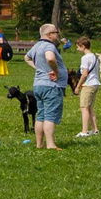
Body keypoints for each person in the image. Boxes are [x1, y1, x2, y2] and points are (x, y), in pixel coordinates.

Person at [27, 22, 66, 150]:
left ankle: (39, 144)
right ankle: (50, 144)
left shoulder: (37, 46)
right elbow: (50, 58)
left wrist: (38, 68)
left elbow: (26, 58)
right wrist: (56, 71)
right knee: (50, 115)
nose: (57, 34)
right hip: (51, 86)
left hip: (38, 85)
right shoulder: (49, 46)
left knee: (41, 115)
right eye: (55, 32)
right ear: (49, 35)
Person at [76, 45, 101, 138]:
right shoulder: (94, 57)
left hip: (88, 85)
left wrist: (78, 86)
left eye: (78, 47)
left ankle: (84, 131)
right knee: (90, 108)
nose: (77, 49)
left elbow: (84, 74)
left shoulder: (85, 58)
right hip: (95, 83)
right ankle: (95, 129)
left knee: (84, 108)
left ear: (83, 46)